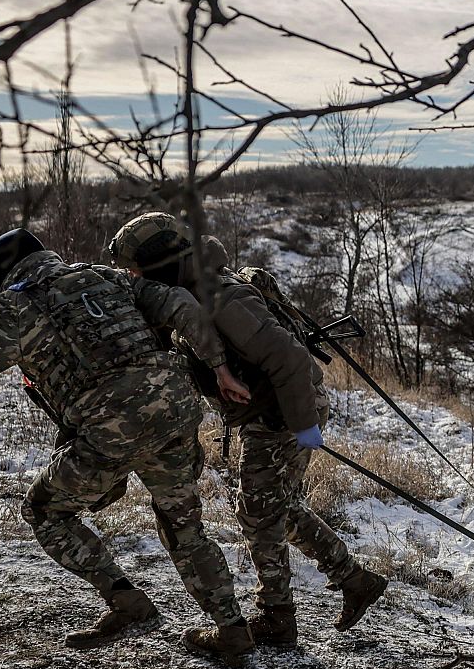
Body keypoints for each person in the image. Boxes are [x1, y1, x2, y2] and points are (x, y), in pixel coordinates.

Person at [0, 228, 257, 660]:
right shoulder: (104, 276)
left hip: (110, 428)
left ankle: (127, 603)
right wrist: (219, 366)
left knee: (45, 511)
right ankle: (232, 629)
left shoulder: (10, 311)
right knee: (184, 525)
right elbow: (180, 304)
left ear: (0, 281)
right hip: (174, 408)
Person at [106, 213, 388, 647]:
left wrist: (301, 426)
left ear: (158, 261)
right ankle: (355, 581)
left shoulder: (221, 298)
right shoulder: (190, 293)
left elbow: (289, 358)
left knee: (258, 513)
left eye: (136, 269)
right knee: (276, 508)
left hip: (281, 412)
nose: (133, 278)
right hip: (272, 410)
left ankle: (277, 617)